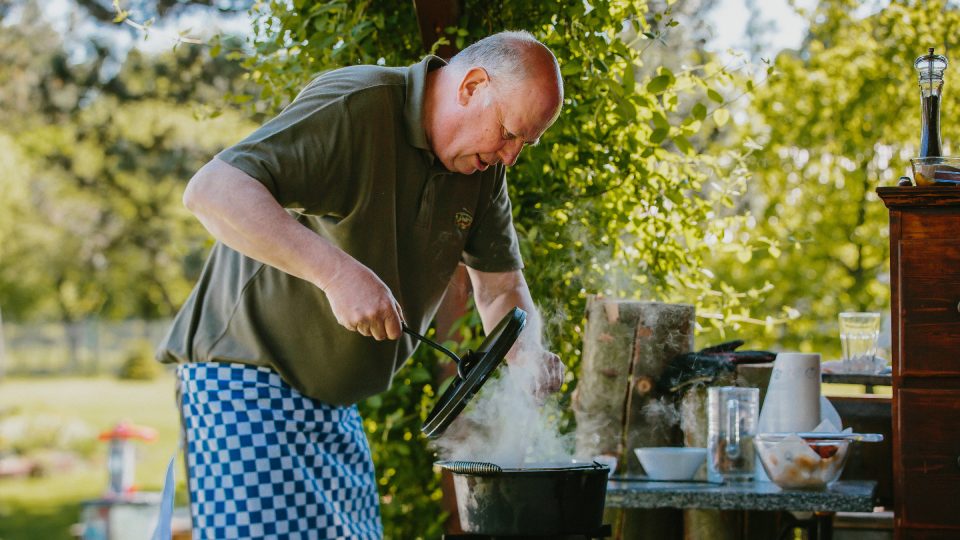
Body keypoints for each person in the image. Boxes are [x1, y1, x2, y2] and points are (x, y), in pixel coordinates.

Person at [157, 30, 565, 539]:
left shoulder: (481, 172)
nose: (510, 157)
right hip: (245, 385)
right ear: (472, 86)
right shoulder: (359, 106)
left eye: (525, 143)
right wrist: (337, 274)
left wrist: (526, 356)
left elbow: (502, 288)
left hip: (334, 406)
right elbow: (212, 190)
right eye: (508, 133)